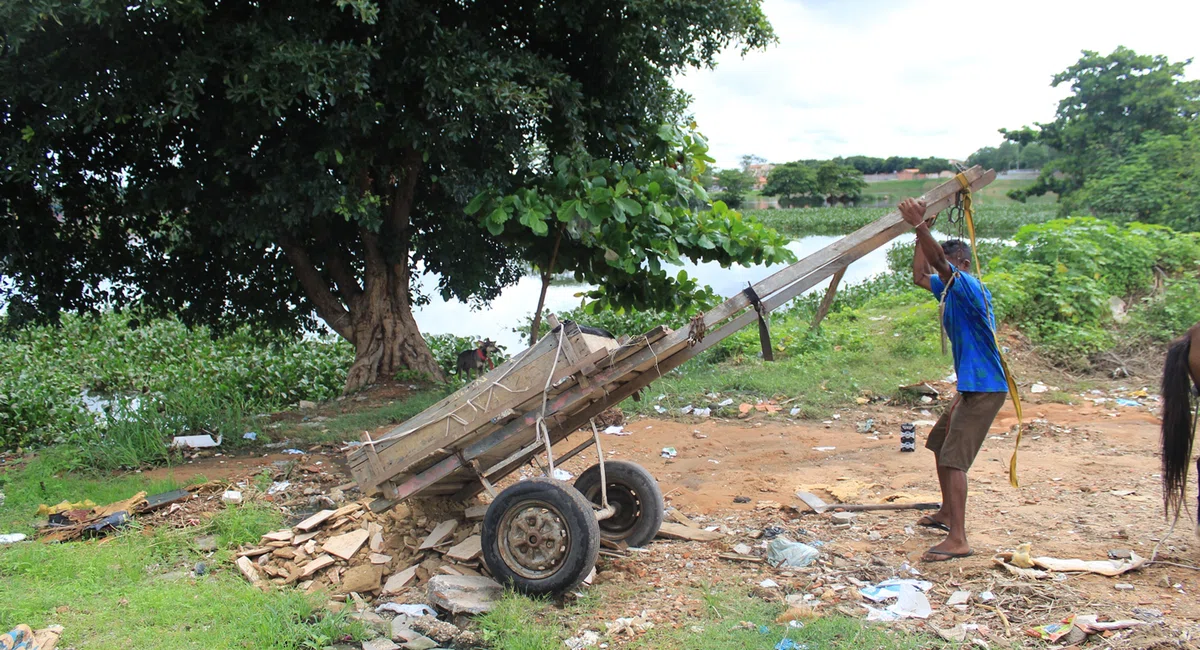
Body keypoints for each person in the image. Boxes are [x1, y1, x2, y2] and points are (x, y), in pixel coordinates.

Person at [899, 197, 1008, 562]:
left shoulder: (969, 287)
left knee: (955, 459)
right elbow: (918, 276)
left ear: (961, 264)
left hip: (985, 388)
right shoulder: (949, 290)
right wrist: (919, 238)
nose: (941, 272)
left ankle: (958, 538)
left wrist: (919, 225)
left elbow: (942, 269)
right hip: (972, 387)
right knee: (938, 443)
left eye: (946, 267)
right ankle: (947, 513)